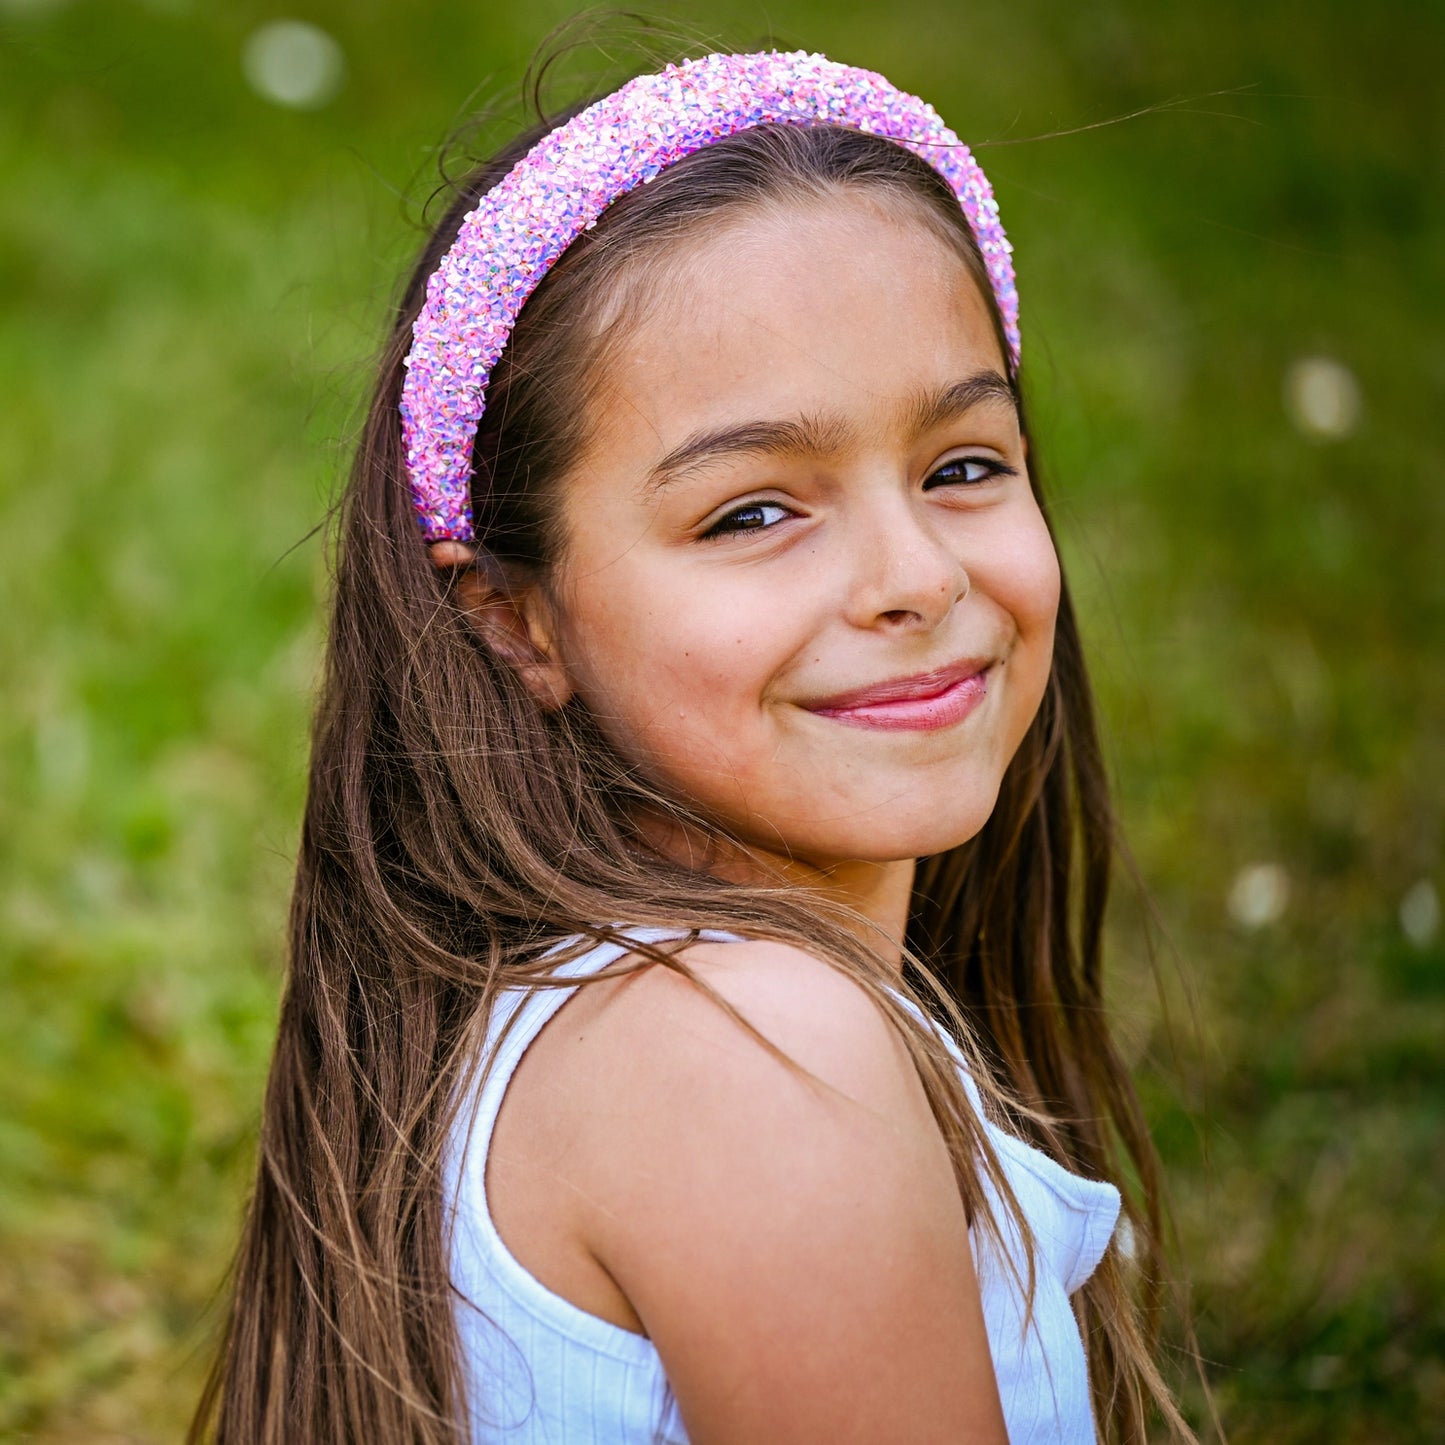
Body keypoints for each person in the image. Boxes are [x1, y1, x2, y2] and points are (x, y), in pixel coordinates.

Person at [193, 48, 1199, 1445]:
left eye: (961, 465)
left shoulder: (622, 1013)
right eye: (753, 513)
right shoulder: (757, 1060)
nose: (915, 575)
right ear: (516, 622)